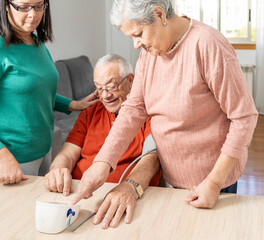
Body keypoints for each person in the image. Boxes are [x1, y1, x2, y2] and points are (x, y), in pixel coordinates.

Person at [72, 0, 258, 211]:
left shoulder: (208, 44)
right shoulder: (149, 54)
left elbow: (244, 117)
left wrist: (214, 183)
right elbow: (134, 108)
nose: (136, 44)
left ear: (159, 15)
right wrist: (103, 162)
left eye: (139, 34)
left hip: (213, 181)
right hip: (173, 178)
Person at [0, 0, 98, 185]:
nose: (33, 14)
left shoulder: (34, 41)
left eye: (39, 6)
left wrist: (72, 105)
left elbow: (35, 91)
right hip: (10, 159)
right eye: (23, 7)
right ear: (5, 5)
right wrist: (1, 156)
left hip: (43, 150)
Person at [44, 54, 161, 229]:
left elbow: (152, 159)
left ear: (130, 80)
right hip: (79, 197)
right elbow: (68, 153)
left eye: (111, 87)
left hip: (125, 197)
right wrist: (57, 169)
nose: (105, 95)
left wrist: (129, 187)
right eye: (99, 88)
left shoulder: (150, 111)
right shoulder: (91, 112)